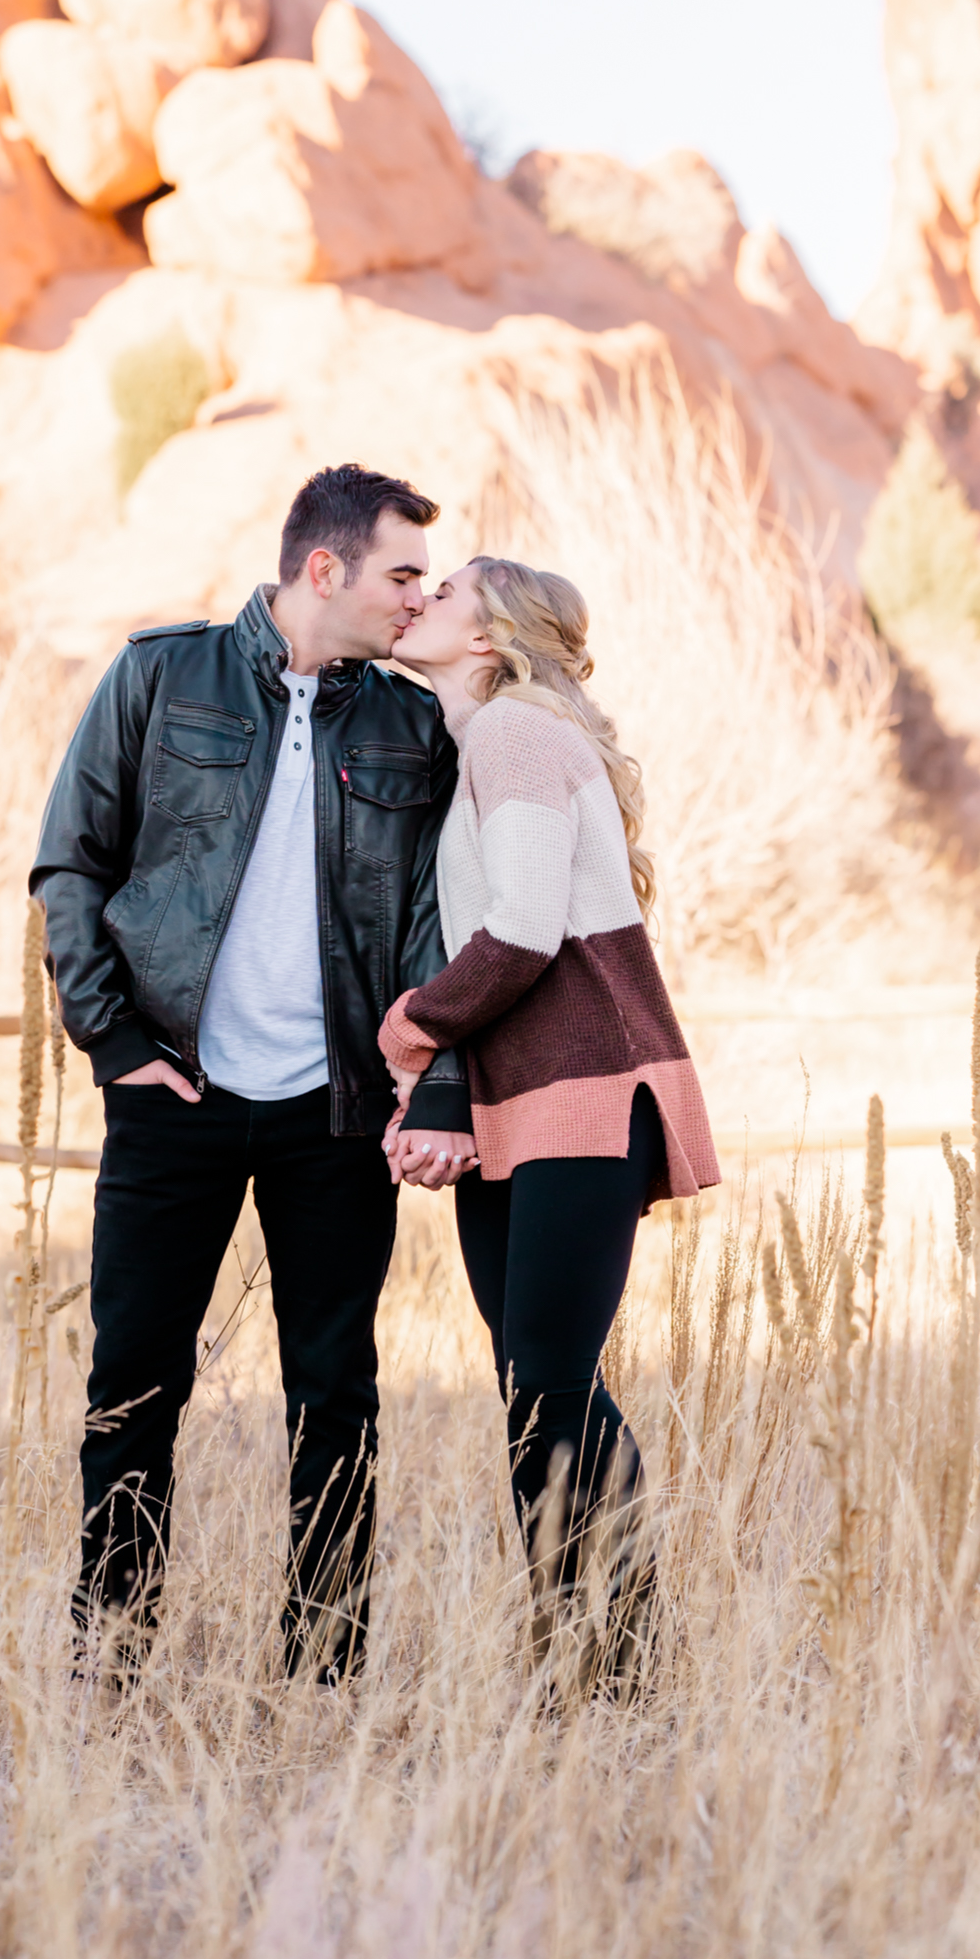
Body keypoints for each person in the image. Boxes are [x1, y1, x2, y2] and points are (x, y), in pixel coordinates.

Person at [31, 464, 478, 1684]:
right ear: (323, 570)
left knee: (337, 1392)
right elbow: (70, 864)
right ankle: (110, 1659)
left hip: (332, 1109)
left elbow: (433, 922)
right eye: (401, 574)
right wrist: (115, 1044)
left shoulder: (406, 722)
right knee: (135, 1385)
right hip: (174, 1094)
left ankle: (324, 1669)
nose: (416, 598)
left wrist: (431, 1085)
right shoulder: (160, 674)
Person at [380, 557, 721, 1689]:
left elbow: (522, 933)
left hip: (582, 1092)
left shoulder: (515, 735)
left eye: (448, 591)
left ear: (489, 639)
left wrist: (414, 1026)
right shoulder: (490, 737)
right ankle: (581, 1647)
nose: (420, 600)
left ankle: (616, 1663)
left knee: (549, 1379)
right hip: (521, 1102)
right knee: (538, 1383)